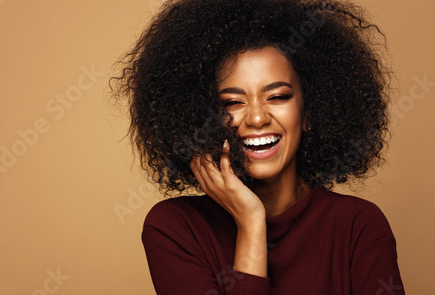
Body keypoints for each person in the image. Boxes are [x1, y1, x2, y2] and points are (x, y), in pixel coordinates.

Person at [113, 0, 404, 294]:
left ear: (310, 113)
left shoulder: (359, 227)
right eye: (233, 102)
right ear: (202, 117)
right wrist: (251, 223)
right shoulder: (175, 228)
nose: (257, 118)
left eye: (278, 96)